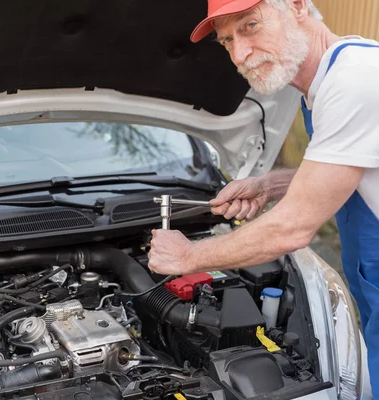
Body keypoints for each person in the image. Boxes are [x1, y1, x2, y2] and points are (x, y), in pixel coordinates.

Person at [147, 0, 379, 395]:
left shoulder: (354, 81)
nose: (239, 54)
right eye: (226, 41)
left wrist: (188, 257)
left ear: (298, 6)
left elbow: (292, 228)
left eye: (250, 25)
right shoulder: (328, 78)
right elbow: (351, 166)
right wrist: (267, 185)